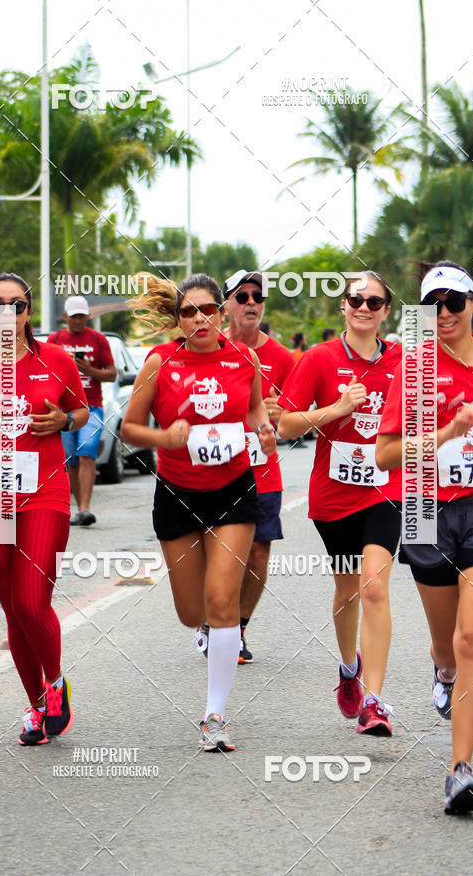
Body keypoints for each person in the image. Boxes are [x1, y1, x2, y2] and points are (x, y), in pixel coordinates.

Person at [376, 260, 473, 813]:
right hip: (424, 511)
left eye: (455, 302)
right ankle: (444, 670)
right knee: (445, 640)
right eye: (433, 306)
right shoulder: (414, 370)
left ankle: (460, 771)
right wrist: (444, 435)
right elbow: (384, 454)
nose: (445, 314)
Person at [121, 273, 276, 751]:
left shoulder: (243, 358)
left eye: (208, 309)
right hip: (177, 493)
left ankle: (215, 714)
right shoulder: (158, 363)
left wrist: (265, 432)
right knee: (193, 612)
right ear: (178, 318)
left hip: (232, 490)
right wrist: (164, 439)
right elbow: (128, 428)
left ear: (222, 312)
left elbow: (254, 416)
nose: (200, 319)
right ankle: (209, 631)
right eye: (189, 311)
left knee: (223, 602)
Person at [0, 273, 89, 746]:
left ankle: (56, 681)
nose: (7, 314)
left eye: (17, 306)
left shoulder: (58, 359)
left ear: (29, 313)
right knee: (13, 608)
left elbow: (81, 410)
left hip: (43, 492)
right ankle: (38, 703)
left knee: (31, 600)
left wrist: (64, 420)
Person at [279, 271, 402, 736]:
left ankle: (373, 701)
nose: (364, 307)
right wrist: (336, 410)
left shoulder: (404, 362)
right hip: (333, 499)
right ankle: (349, 669)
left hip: (385, 492)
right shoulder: (319, 358)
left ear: (386, 311)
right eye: (356, 299)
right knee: (349, 589)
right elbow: (287, 425)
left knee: (374, 588)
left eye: (374, 301)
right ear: (344, 306)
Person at [207, 269, 294, 664]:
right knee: (215, 552)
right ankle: (213, 619)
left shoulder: (281, 357)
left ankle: (237, 629)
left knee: (258, 552)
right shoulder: (205, 346)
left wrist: (282, 415)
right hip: (211, 470)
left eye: (258, 296)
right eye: (241, 296)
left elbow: (296, 417)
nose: (251, 303)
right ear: (225, 305)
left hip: (262, 470)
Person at [48, 296, 116, 526]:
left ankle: (85, 508)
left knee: (87, 451)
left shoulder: (98, 339)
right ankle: (78, 509)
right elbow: (45, 373)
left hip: (92, 406)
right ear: (65, 317)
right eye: (73, 316)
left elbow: (112, 374)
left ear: (88, 316)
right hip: (64, 408)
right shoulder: (54, 340)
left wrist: (89, 370)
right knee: (71, 459)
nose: (78, 320)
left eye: (82, 316)